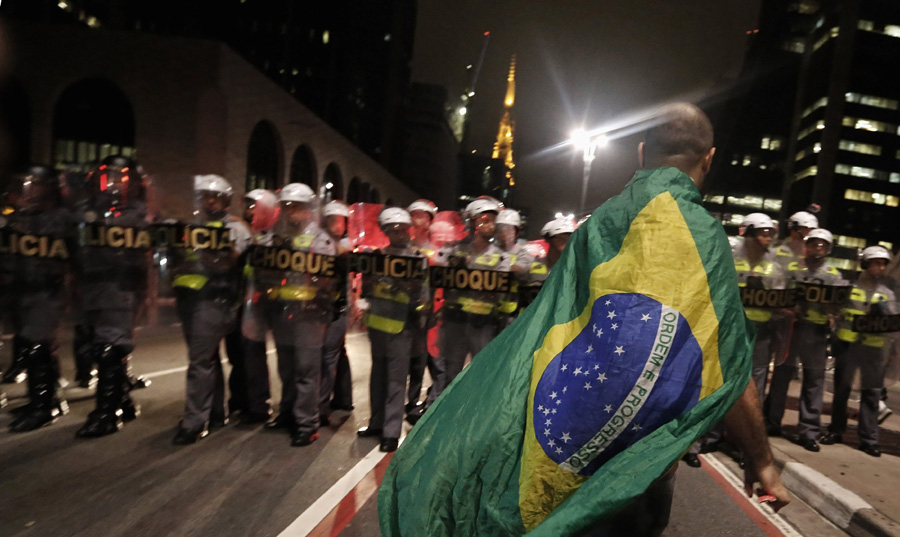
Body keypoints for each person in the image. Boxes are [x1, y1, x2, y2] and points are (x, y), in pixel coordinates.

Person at [377, 103, 789, 537]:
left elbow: (548, 328)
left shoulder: (600, 225)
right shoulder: (706, 239)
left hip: (570, 434)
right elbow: (728, 359)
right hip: (642, 460)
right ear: (709, 158)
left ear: (641, 152)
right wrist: (761, 460)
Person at [170, 175, 252, 444]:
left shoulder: (236, 230)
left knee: (200, 362)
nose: (210, 201)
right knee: (207, 359)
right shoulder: (192, 226)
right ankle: (215, 412)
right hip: (189, 298)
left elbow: (228, 263)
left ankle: (194, 422)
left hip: (215, 300)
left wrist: (198, 247)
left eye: (215, 197)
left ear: (227, 201)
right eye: (205, 196)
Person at [74, 155, 151, 438]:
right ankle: (123, 401)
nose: (114, 184)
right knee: (97, 348)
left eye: (122, 178)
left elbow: (148, 260)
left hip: (120, 289)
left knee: (109, 348)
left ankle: (107, 414)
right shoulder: (86, 212)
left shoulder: (141, 216)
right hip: (91, 289)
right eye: (109, 177)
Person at [257, 183, 337, 447]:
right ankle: (288, 414)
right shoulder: (277, 238)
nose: (292, 212)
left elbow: (326, 279)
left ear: (308, 209)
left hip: (310, 315)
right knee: (286, 368)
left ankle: (307, 423)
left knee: (306, 369)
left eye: (297, 207)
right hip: (283, 312)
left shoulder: (321, 240)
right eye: (288, 206)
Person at [2, 165, 73, 431]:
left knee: (37, 347)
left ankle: (43, 407)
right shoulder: (24, 217)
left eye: (36, 187)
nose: (29, 193)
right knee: (32, 345)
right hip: (22, 289)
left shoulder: (60, 219)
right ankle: (44, 401)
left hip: (47, 290)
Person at [357, 207, 430, 452]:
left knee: (397, 381)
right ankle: (376, 423)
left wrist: (418, 315)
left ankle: (391, 432)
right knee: (377, 378)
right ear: (386, 231)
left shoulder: (418, 259)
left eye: (402, 229)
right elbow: (366, 290)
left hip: (403, 326)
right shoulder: (376, 257)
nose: (398, 233)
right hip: (377, 325)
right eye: (393, 229)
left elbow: (423, 296)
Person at [764, 228, 844, 451]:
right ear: (807, 246)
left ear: (828, 249)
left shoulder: (833, 275)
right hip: (792, 329)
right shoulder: (792, 268)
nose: (817, 248)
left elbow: (838, 307)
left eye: (822, 245)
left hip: (817, 333)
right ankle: (771, 422)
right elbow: (780, 294)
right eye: (814, 243)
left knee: (814, 383)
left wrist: (830, 308)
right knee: (781, 378)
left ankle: (809, 431)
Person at [822, 245, 897, 456]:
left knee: (871, 395)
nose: (880, 268)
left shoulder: (887, 294)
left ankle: (869, 439)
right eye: (876, 263)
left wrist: (884, 314)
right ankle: (836, 430)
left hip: (873, 350)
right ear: (865, 264)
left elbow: (892, 325)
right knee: (841, 393)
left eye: (883, 264)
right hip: (848, 346)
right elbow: (833, 308)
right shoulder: (848, 287)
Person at [431, 197, 510, 396]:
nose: (490, 226)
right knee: (451, 375)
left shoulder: (500, 257)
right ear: (471, 222)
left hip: (483, 325)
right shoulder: (454, 250)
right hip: (455, 323)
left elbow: (499, 289)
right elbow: (435, 267)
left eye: (493, 221)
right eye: (484, 220)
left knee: (481, 376)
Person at [236, 188, 279, 424]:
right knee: (249, 356)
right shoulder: (243, 233)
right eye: (249, 206)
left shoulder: (276, 238)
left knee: (287, 359)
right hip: (250, 302)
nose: (251, 211)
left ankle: (264, 404)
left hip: (271, 304)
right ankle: (253, 404)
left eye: (257, 207)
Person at [404, 199, 439, 423]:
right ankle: (411, 401)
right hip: (406, 311)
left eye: (424, 216)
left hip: (433, 312)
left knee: (433, 360)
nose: (419, 220)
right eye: (415, 215)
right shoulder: (403, 247)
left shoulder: (438, 249)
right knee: (412, 361)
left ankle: (430, 401)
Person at [319, 200, 351, 426]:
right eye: (332, 220)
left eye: (341, 221)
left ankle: (321, 406)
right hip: (318, 308)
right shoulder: (319, 242)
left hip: (337, 309)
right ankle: (342, 398)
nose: (337, 225)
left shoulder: (346, 246)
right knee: (334, 356)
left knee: (328, 358)